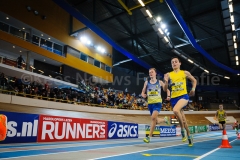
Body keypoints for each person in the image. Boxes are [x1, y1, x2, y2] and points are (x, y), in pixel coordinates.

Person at [163, 57, 197, 147]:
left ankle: (182, 130)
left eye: (176, 62)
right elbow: (165, 89)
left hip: (183, 96)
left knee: (175, 110)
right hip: (174, 99)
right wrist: (166, 82)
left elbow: (194, 80)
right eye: (172, 62)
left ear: (179, 63)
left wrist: (193, 89)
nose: (174, 63)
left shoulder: (185, 73)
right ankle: (189, 136)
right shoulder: (168, 75)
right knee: (184, 120)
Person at [142, 68, 170, 143]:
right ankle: (164, 119)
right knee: (155, 120)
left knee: (153, 118)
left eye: (152, 72)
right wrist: (143, 94)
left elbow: (166, 89)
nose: (150, 73)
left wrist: (168, 96)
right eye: (149, 72)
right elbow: (143, 91)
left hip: (157, 103)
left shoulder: (159, 82)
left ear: (155, 73)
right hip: (150, 104)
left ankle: (149, 137)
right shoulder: (146, 82)